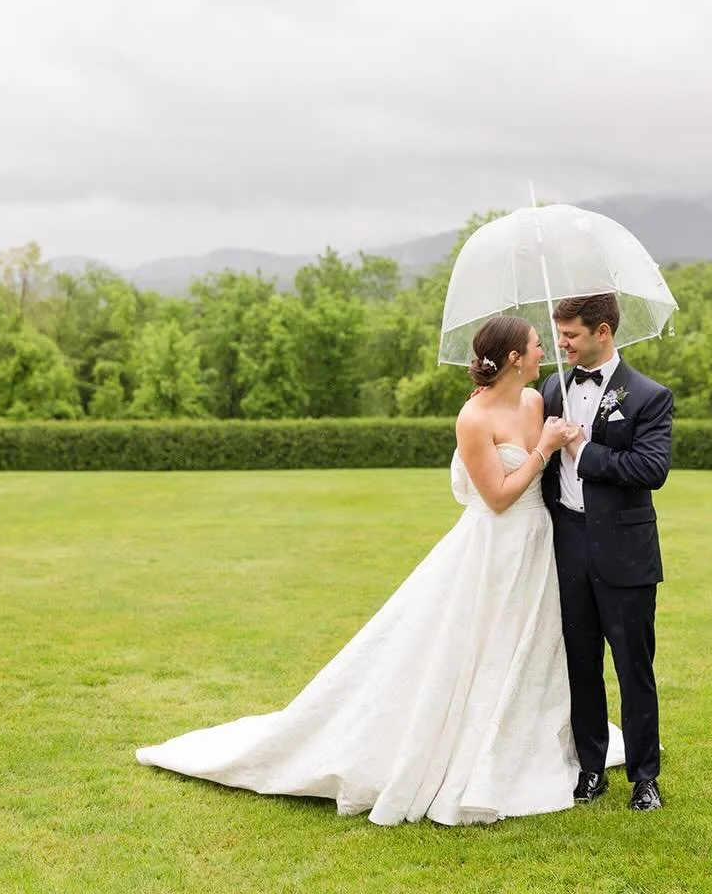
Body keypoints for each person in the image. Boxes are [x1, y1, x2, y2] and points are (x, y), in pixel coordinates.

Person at [136, 316, 622, 825]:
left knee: (527, 645)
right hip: (492, 548)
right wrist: (543, 449)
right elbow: (498, 497)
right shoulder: (473, 419)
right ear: (515, 358)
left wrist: (568, 440)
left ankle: (523, 741)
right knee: (477, 645)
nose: (546, 350)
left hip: (538, 543)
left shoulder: (536, 401)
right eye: (538, 344)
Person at [540, 294, 673, 812]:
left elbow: (651, 469)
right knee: (579, 663)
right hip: (567, 543)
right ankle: (590, 768)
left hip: (626, 550)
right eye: (559, 334)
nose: (562, 343)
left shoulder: (648, 396)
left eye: (571, 334)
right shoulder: (552, 387)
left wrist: (583, 449)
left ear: (602, 331)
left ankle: (645, 778)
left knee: (633, 668)